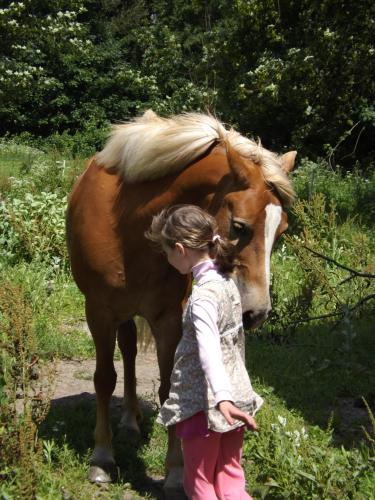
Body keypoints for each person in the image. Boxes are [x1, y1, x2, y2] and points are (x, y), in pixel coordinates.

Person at [146, 204, 263, 500]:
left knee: (199, 484)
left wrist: (220, 398)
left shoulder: (202, 298)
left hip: (205, 404)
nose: (168, 260)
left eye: (167, 252)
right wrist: (230, 397)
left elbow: (208, 347)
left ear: (181, 249)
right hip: (237, 396)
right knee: (231, 479)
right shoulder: (227, 283)